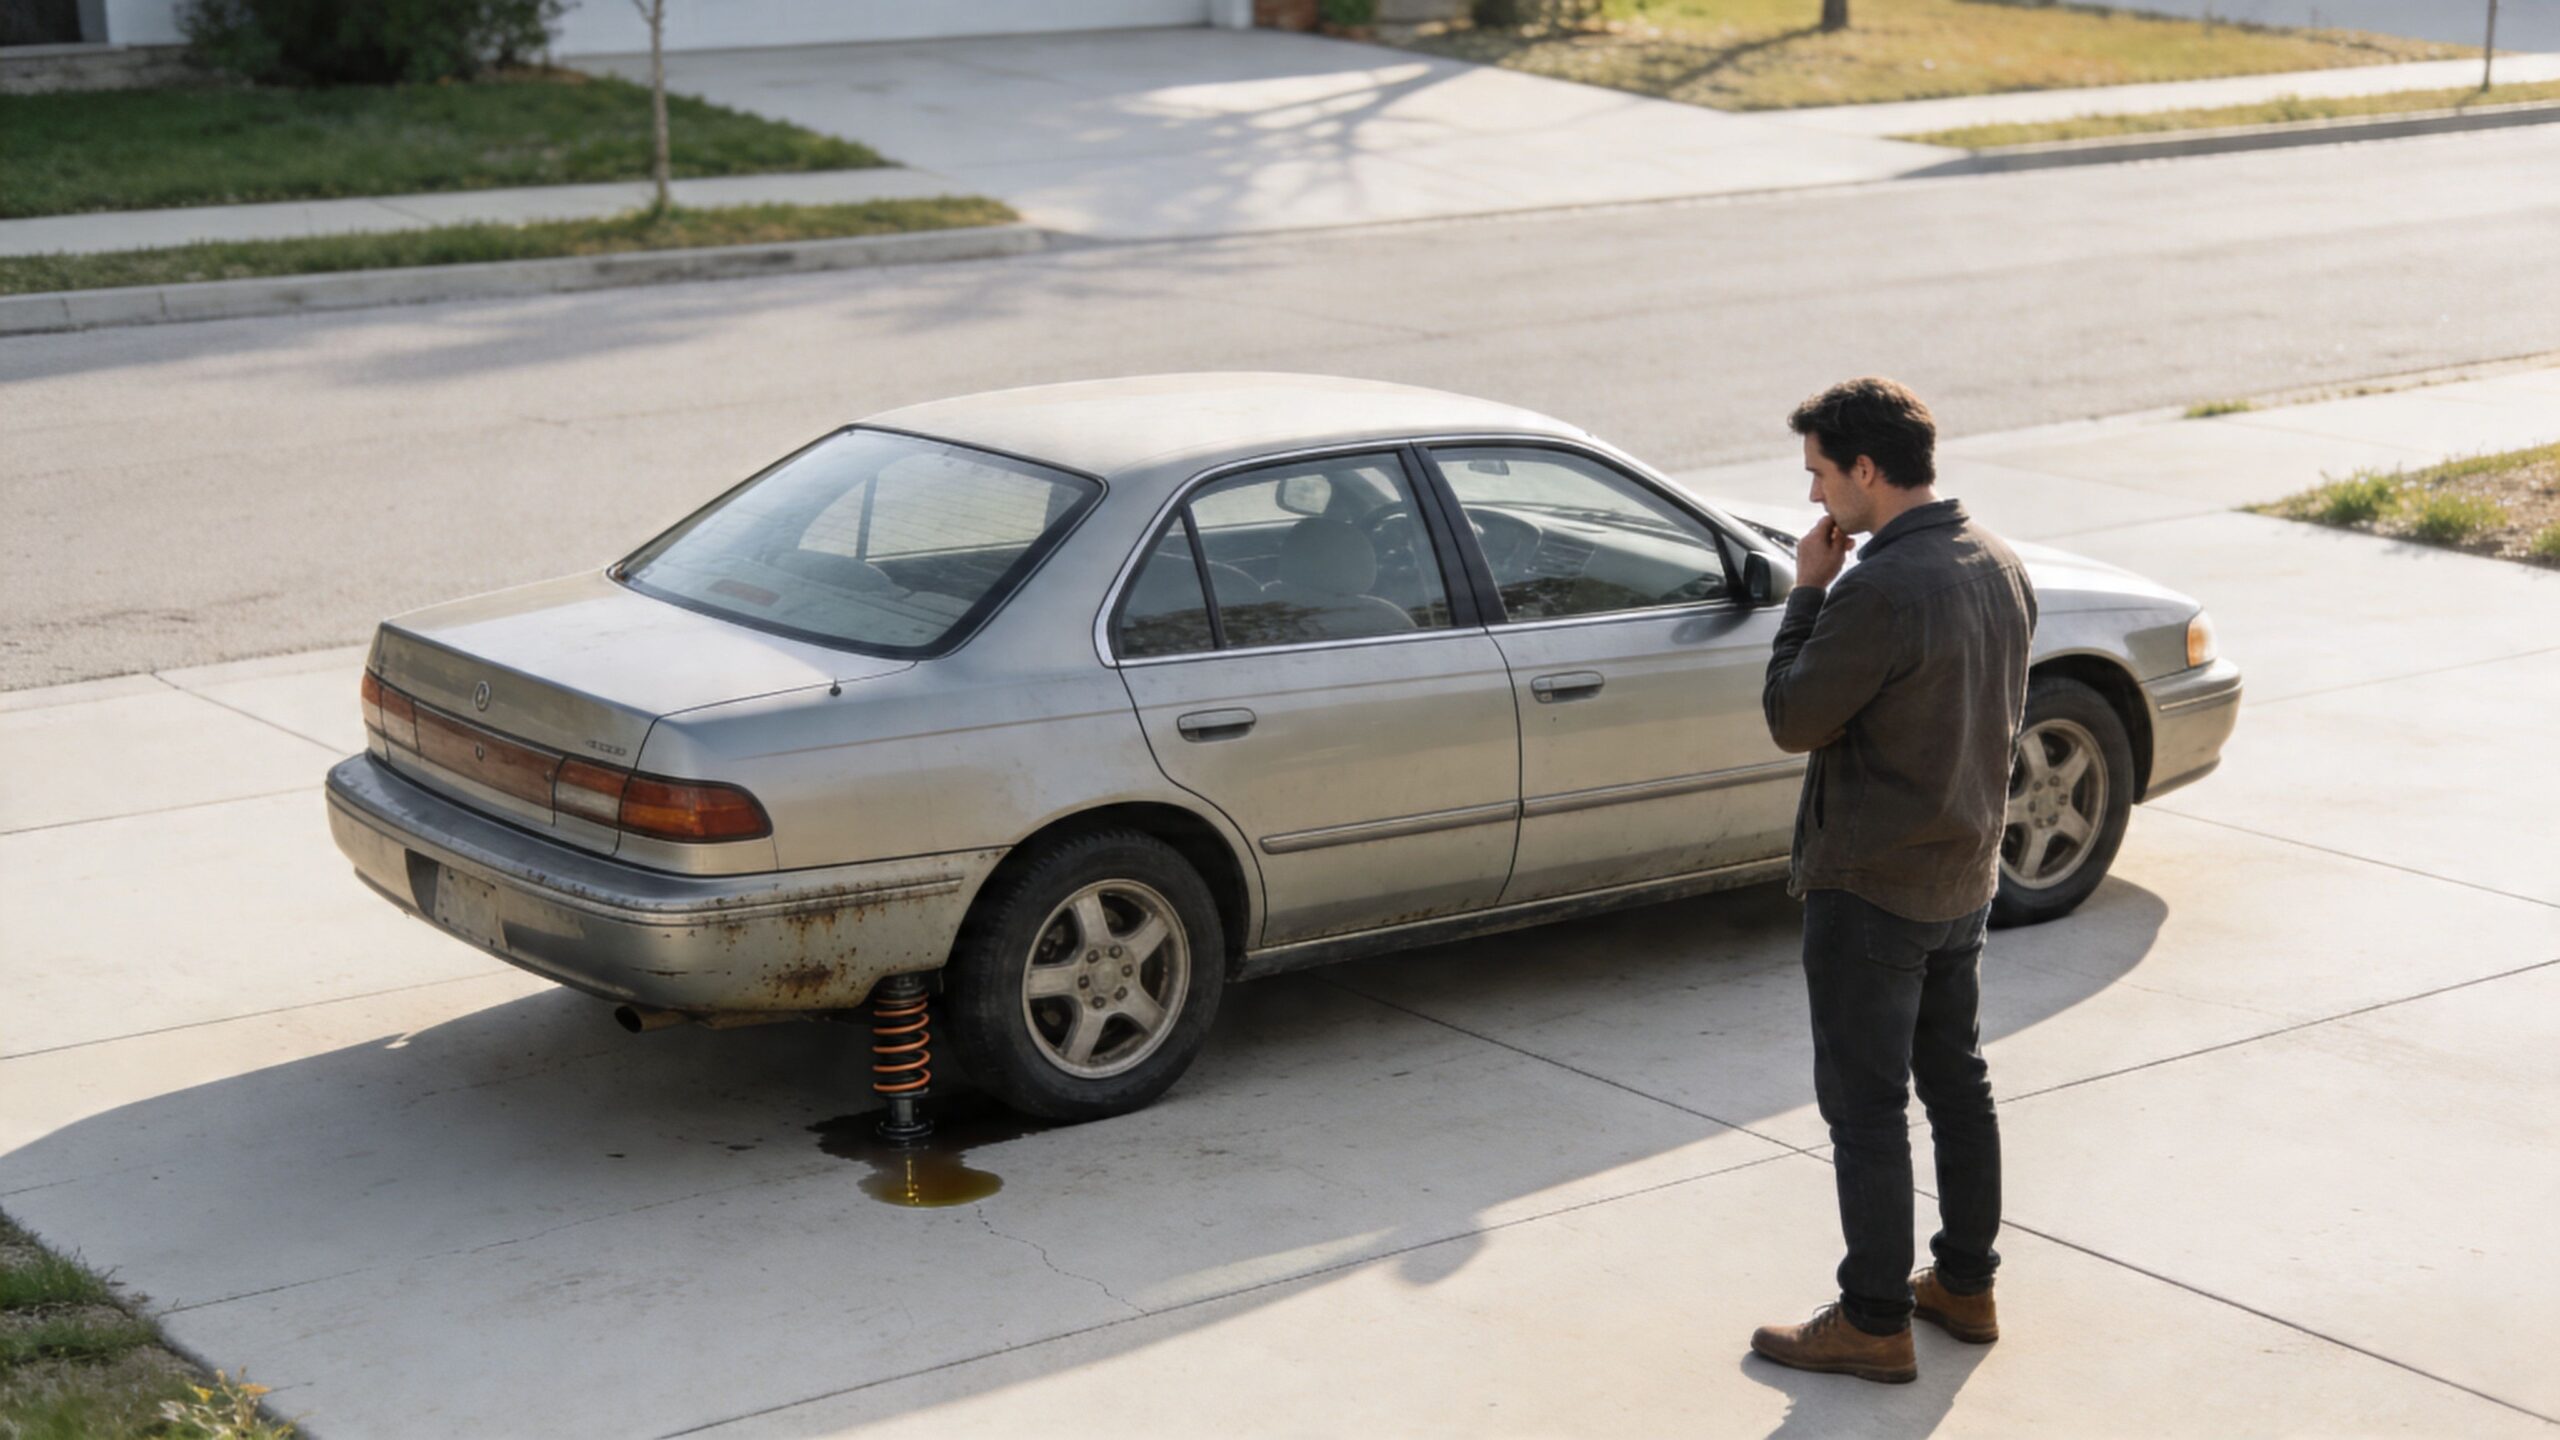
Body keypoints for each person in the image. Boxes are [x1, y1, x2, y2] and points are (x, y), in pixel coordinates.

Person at [1750, 377, 2037, 1384]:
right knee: (1956, 1084)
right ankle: (1964, 1282)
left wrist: (1807, 594)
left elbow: (1793, 718)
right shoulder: (1996, 561)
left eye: (1822, 477)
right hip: (1962, 875)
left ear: (1867, 469)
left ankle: (1873, 1318)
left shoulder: (1874, 589)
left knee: (1866, 1107)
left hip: (1871, 886)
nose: (1817, 501)